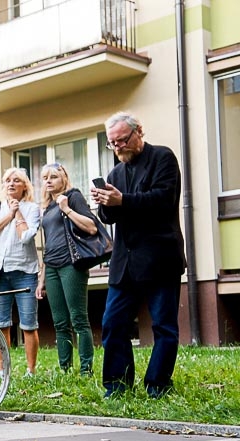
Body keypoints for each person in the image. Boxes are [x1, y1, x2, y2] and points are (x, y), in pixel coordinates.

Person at [92, 111, 186, 399]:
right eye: (112, 143)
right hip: (125, 262)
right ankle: (117, 386)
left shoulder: (163, 158)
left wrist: (123, 200)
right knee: (113, 323)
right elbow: (109, 217)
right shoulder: (115, 173)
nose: (118, 147)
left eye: (122, 140)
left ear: (138, 133)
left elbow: (163, 200)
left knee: (163, 325)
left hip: (160, 256)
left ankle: (157, 385)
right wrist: (104, 203)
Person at [35, 163, 97, 375]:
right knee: (60, 322)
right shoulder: (48, 208)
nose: (48, 181)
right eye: (45, 178)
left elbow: (91, 226)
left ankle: (86, 369)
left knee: (78, 318)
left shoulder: (73, 196)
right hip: (51, 266)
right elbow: (48, 244)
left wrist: (67, 209)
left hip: (71, 264)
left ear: (64, 179)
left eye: (53, 177)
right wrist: (41, 279)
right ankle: (65, 369)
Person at [0, 168, 41, 377]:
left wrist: (18, 212)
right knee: (1, 325)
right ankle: (2, 369)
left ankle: (30, 371)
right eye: (7, 180)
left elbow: (25, 236)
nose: (11, 184)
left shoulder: (32, 208)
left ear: (24, 185)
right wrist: (9, 213)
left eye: (17, 180)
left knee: (28, 324)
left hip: (25, 271)